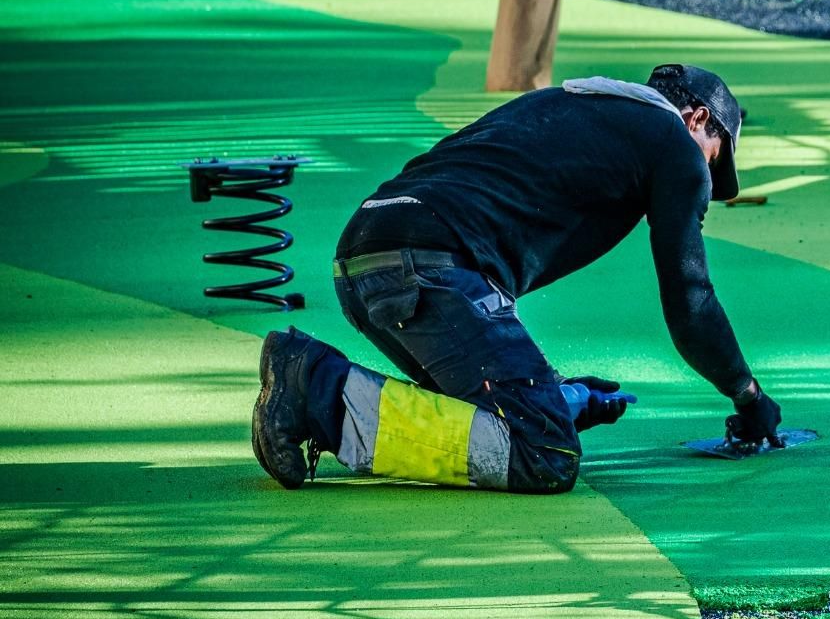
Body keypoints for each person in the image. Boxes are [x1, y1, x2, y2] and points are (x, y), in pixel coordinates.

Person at [251, 64, 784, 493]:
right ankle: (317, 385)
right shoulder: (674, 142)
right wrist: (748, 397)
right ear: (696, 119)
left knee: (480, 413)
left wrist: (560, 397)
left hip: (364, 257)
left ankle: (314, 393)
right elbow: (691, 302)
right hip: (433, 265)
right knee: (544, 452)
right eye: (716, 160)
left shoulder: (570, 102)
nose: (707, 180)